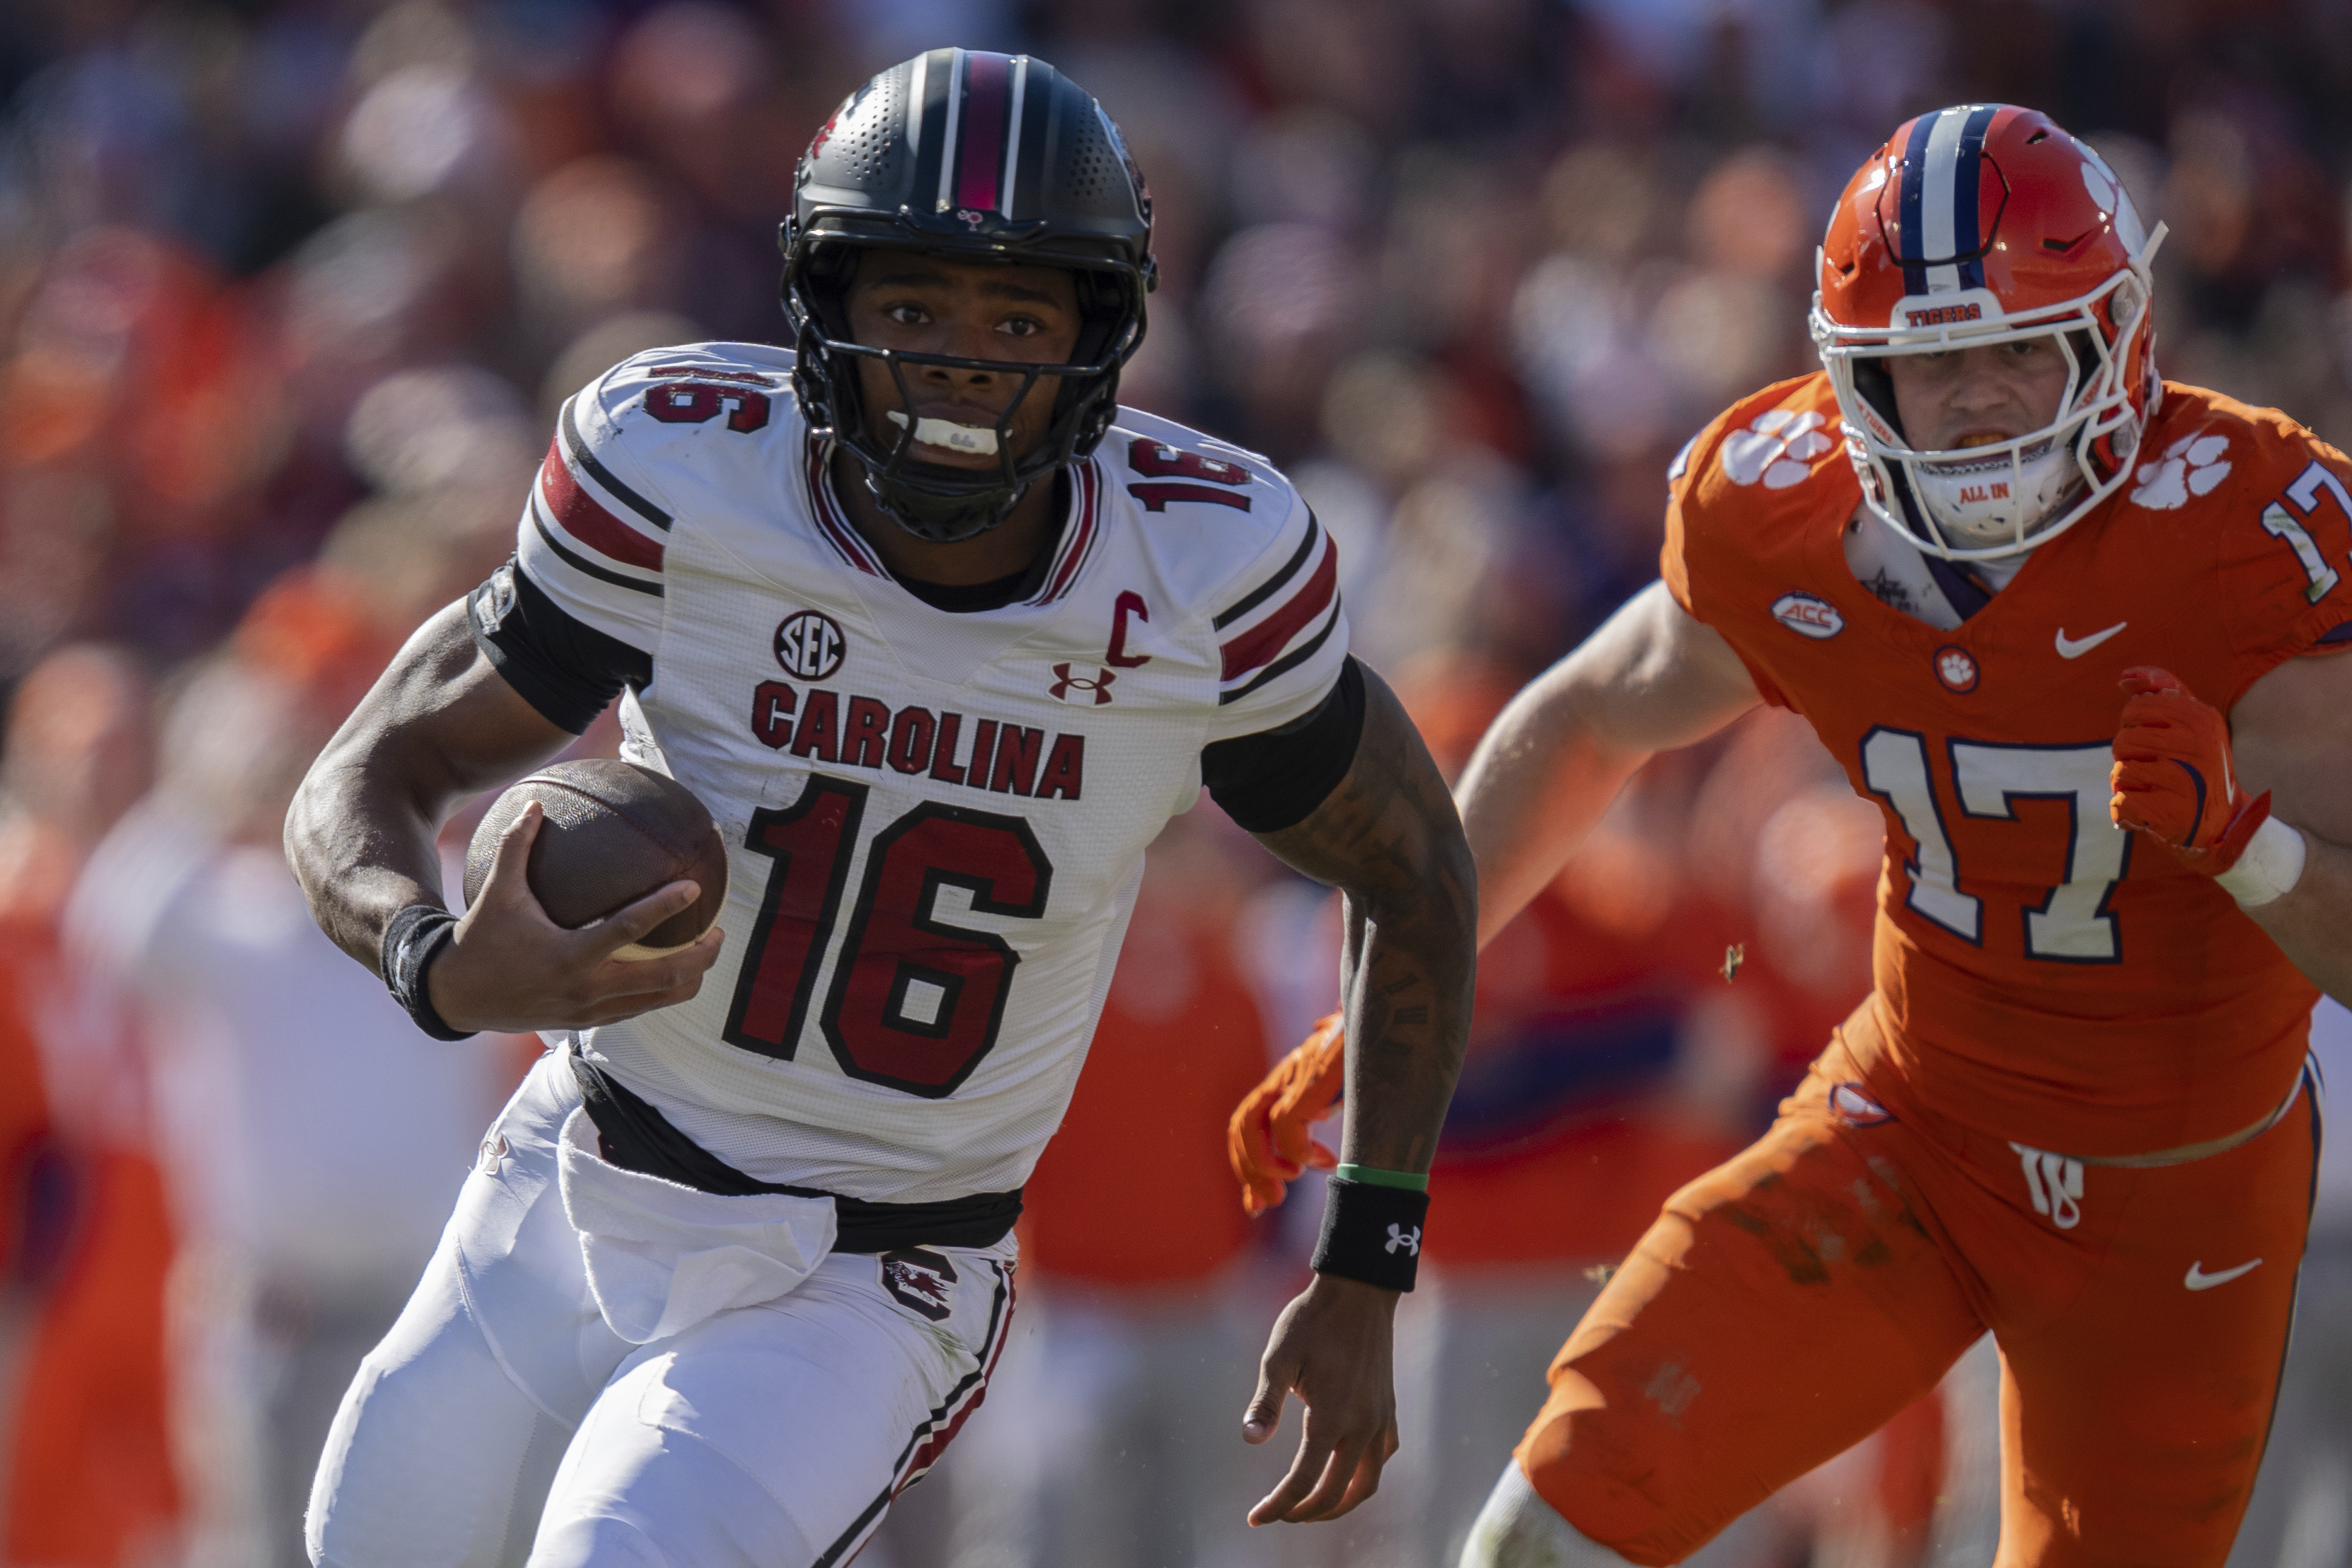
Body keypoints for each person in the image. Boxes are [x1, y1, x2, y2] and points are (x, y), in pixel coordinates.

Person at [285, 48, 1473, 1568]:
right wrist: (434, 959)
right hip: (571, 1171)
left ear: (1098, 333)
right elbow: (368, 767)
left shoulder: (1202, 574)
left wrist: (1368, 1259)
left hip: (866, 1271)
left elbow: (1418, 871)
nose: (964, 359)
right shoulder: (681, 471)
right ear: (824, 309)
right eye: (912, 307)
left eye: (1016, 313)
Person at [1235, 105, 2352, 1567]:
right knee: (1538, 1537)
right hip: (1912, 1129)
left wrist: (2243, 840)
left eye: (2022, 347)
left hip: (2176, 1195)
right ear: (1852, 379)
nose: (1979, 406)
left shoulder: (2256, 534)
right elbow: (1582, 720)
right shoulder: (1784, 506)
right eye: (1929, 366)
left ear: (2118, 338)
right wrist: (1392, 993)